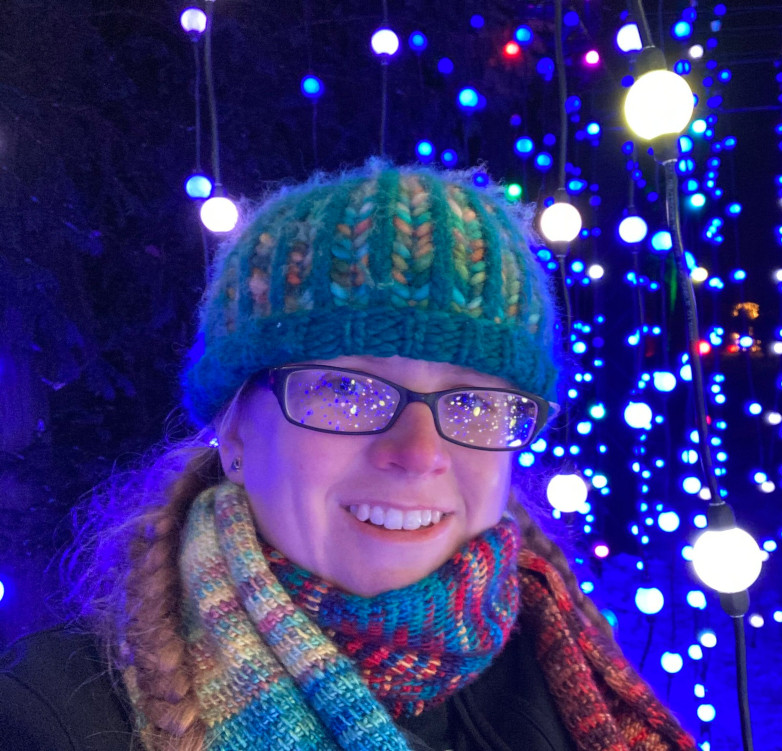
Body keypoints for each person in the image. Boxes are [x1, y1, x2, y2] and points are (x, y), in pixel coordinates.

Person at [0, 163, 693, 751]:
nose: (420, 453)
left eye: (476, 401)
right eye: (346, 389)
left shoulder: (562, 651)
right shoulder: (55, 715)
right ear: (237, 431)